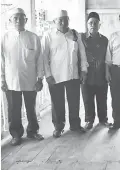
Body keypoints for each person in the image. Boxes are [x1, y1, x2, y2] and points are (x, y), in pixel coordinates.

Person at [1, 8, 44, 146]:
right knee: (13, 109)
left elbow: (39, 60)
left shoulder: (33, 37)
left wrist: (40, 79)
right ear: (10, 20)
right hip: (11, 81)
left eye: (21, 18)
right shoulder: (5, 38)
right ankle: (16, 134)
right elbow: (1, 60)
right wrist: (2, 79)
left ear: (26, 20)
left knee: (31, 107)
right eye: (15, 18)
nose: (18, 20)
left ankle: (32, 131)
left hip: (30, 80)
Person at [42, 10, 88, 138]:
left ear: (69, 20)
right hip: (55, 75)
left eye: (65, 19)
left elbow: (82, 54)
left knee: (74, 101)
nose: (63, 22)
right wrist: (47, 74)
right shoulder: (48, 36)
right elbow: (44, 57)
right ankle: (58, 126)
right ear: (54, 21)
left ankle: (75, 125)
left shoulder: (75, 34)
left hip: (73, 74)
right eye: (59, 19)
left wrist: (84, 70)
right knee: (57, 103)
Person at [80, 12, 110, 130]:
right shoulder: (82, 38)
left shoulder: (105, 40)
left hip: (101, 74)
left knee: (102, 98)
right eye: (90, 23)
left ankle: (103, 119)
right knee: (88, 99)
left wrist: (107, 73)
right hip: (87, 75)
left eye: (95, 23)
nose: (93, 25)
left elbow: (108, 58)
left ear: (99, 25)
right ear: (87, 25)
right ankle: (89, 120)